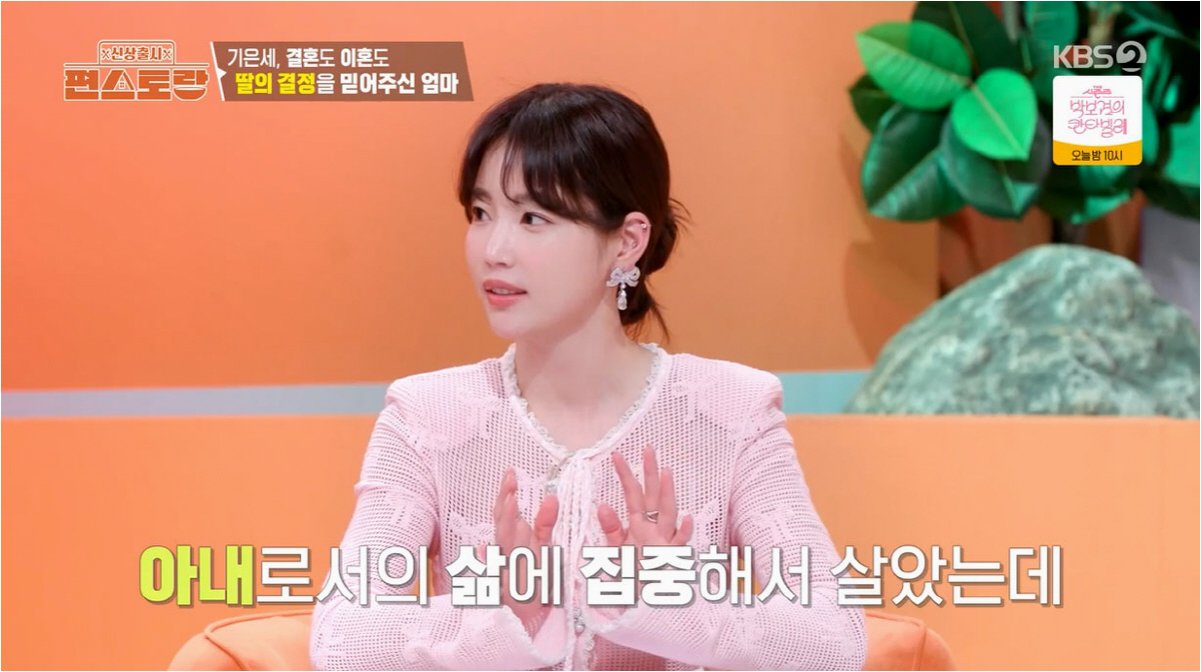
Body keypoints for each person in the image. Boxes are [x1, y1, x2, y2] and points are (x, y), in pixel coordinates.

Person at [309, 82, 867, 671]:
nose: (494, 249)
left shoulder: (733, 411)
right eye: (481, 213)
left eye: (533, 217)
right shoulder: (426, 416)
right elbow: (343, 639)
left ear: (626, 242)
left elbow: (835, 640)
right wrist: (507, 614)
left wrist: (670, 601)